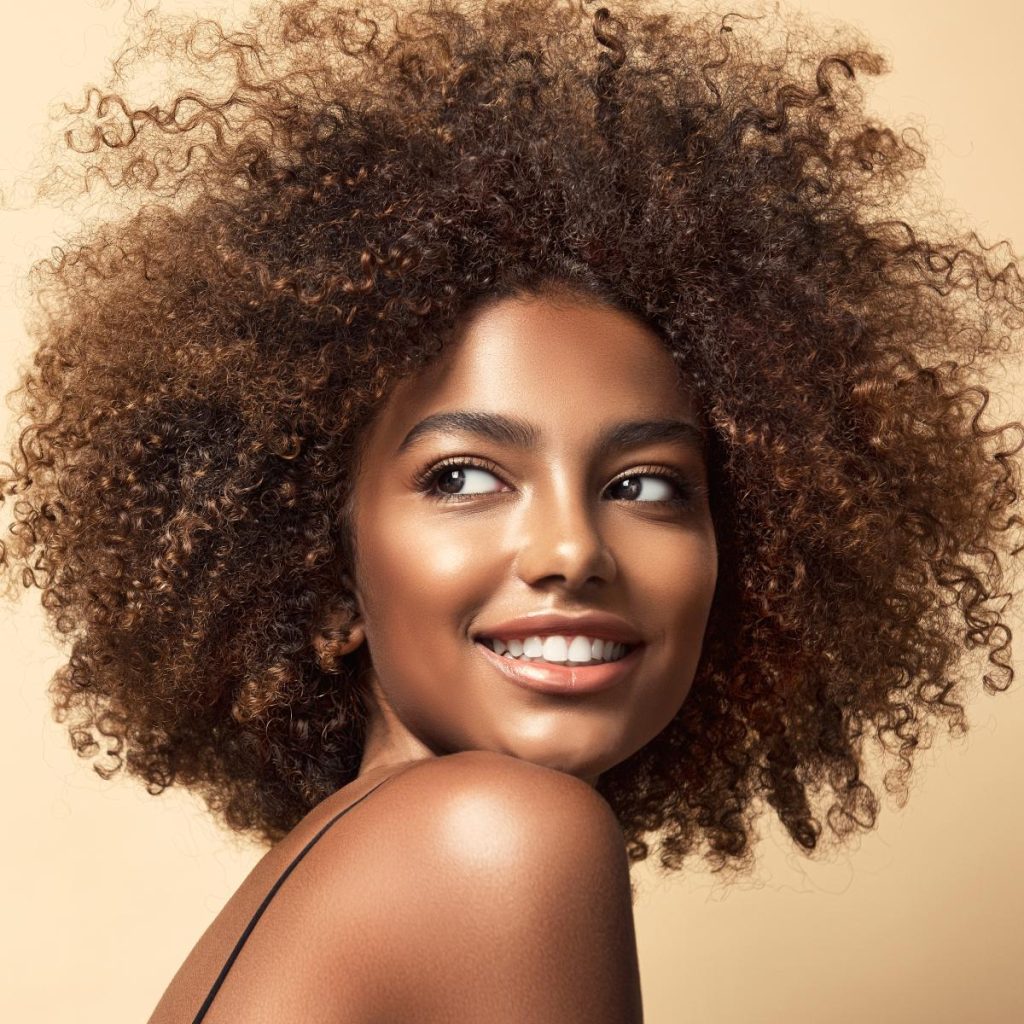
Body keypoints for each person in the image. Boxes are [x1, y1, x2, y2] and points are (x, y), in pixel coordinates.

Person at [1, 0, 1021, 1020]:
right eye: (462, 477)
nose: (574, 549)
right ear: (326, 575)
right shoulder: (496, 838)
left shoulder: (343, 866)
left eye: (648, 486)